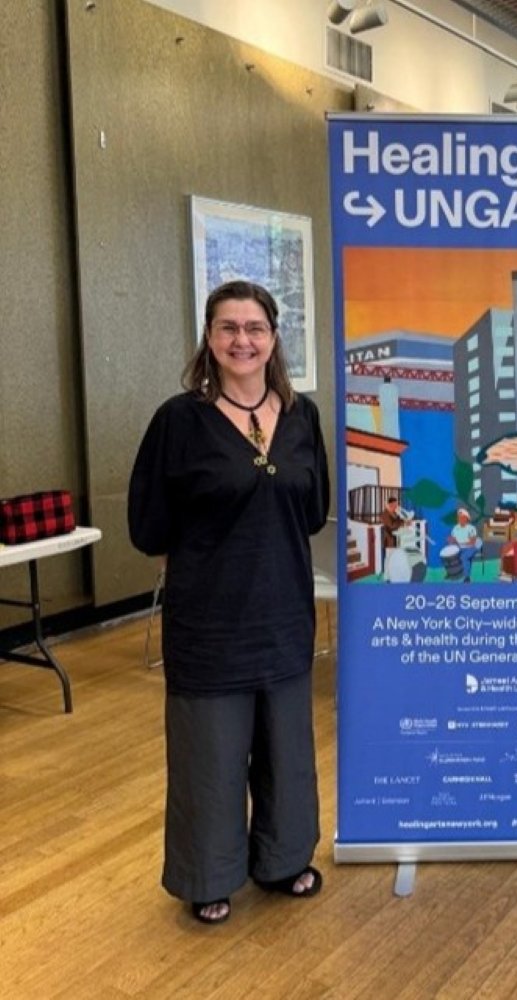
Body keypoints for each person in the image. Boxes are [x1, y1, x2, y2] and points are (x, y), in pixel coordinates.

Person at [128, 280, 330, 925]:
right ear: (208, 339)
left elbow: (316, 507)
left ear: (274, 338)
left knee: (286, 750)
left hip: (283, 612)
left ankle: (283, 859)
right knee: (209, 758)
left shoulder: (302, 416)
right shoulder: (178, 420)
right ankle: (208, 874)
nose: (242, 340)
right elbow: (148, 526)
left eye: (254, 328)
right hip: (210, 622)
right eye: (227, 328)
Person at [447, 507, 482, 582]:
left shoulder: (471, 528)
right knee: (450, 555)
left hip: (472, 547)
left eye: (462, 517)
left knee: (464, 557)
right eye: (459, 518)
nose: (460, 519)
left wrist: (460, 543)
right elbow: (454, 540)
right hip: (461, 547)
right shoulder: (455, 528)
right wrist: (451, 540)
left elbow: (472, 542)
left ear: (467, 518)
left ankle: (467, 577)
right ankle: (452, 573)